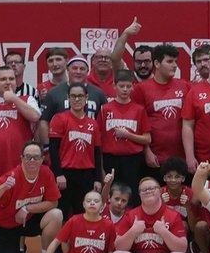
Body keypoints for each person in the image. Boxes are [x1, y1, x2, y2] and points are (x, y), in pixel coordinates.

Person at [0, 141, 64, 253]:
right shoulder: (11, 177)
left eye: (36, 157)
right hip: (3, 224)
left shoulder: (46, 173)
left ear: (42, 159)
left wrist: (27, 208)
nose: (32, 160)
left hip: (26, 220)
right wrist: (3, 188)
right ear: (21, 158)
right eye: (28, 157)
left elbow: (53, 202)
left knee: (56, 215)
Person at [110, 177, 189, 253]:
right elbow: (119, 247)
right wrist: (133, 231)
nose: (148, 191)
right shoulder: (130, 215)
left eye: (152, 188)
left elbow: (182, 248)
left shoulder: (173, 215)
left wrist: (164, 232)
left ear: (160, 191)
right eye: (144, 190)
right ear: (139, 195)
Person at [132, 44, 190, 176]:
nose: (174, 65)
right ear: (157, 63)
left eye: (175, 61)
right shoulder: (141, 89)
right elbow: (138, 124)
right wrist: (147, 152)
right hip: (154, 158)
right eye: (169, 61)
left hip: (181, 158)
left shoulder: (185, 86)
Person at [0, 65, 41, 189]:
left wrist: (14, 98)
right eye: (3, 79)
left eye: (11, 79)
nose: (8, 82)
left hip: (20, 164)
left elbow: (35, 116)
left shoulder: (27, 99)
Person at [48, 82, 102, 217]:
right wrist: (58, 174)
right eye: (73, 96)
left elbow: (96, 152)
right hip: (65, 174)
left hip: (86, 174)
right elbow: (53, 149)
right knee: (63, 212)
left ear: (86, 97)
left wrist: (97, 179)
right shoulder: (59, 119)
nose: (77, 99)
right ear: (68, 97)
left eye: (80, 96)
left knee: (83, 213)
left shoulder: (93, 124)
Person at [40, 190, 114, 253]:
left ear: (102, 206)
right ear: (83, 204)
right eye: (88, 201)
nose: (92, 203)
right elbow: (55, 242)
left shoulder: (108, 225)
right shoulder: (74, 220)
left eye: (96, 201)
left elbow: (111, 252)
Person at [99, 69, 150, 200]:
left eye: (128, 86)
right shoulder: (105, 109)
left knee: (132, 195)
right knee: (111, 194)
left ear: (133, 87)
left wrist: (128, 135)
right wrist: (101, 167)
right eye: (121, 86)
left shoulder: (139, 110)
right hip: (110, 158)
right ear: (114, 86)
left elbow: (147, 139)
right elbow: (98, 140)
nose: (125, 90)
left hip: (132, 159)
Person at [38, 56, 107, 150]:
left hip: (91, 147)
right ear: (67, 69)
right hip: (62, 148)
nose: (78, 72)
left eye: (82, 69)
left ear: (88, 71)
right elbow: (44, 122)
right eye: (74, 68)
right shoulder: (54, 93)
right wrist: (46, 147)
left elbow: (104, 123)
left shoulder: (98, 93)